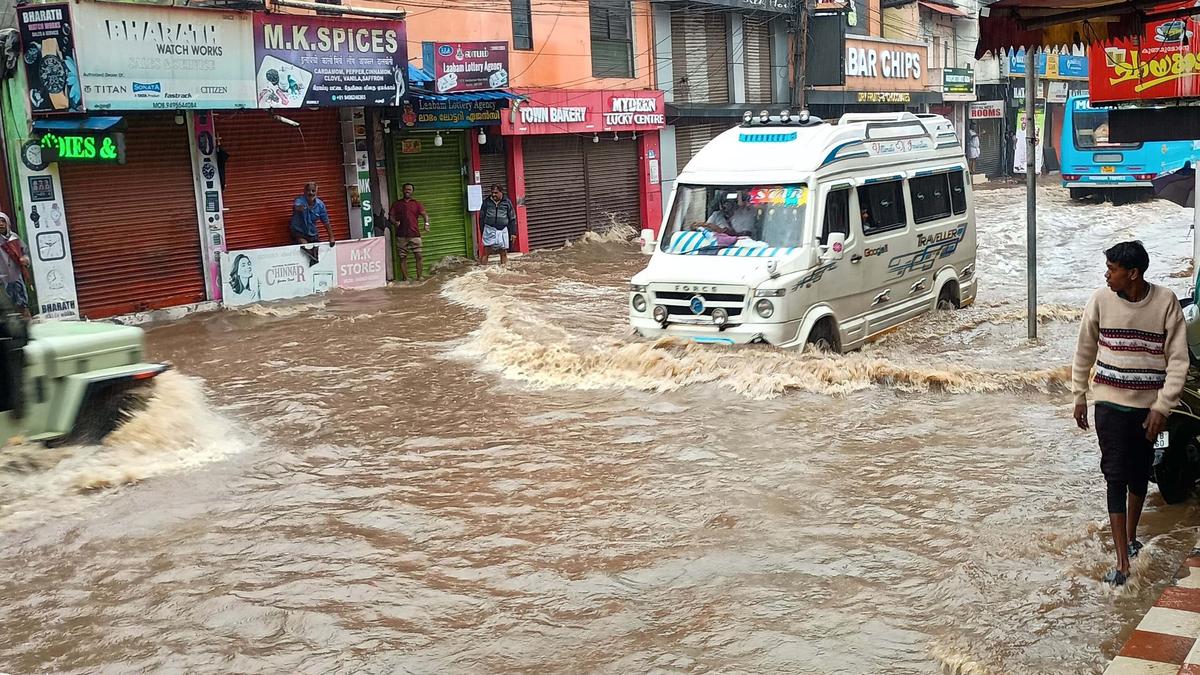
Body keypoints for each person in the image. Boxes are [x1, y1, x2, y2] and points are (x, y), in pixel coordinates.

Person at [1072, 241, 1189, 587]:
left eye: (1112, 269)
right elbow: (1084, 352)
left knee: (1140, 473)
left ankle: (1132, 537)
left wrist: (1162, 407)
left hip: (1148, 409)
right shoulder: (1100, 300)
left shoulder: (1166, 302)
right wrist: (1079, 396)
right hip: (1109, 403)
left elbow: (1178, 361)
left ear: (1133, 274)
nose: (1107, 275)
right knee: (1115, 475)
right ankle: (1122, 561)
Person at [388, 182, 430, 281]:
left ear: (412, 192)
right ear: (402, 190)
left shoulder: (417, 204)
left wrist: (426, 224)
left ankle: (419, 277)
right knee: (402, 257)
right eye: (406, 189)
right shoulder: (397, 204)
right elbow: (391, 216)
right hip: (401, 235)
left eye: (409, 190)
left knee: (419, 256)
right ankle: (406, 279)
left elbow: (425, 215)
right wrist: (394, 222)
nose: (407, 191)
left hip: (415, 234)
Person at [291, 181, 334, 265]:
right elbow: (296, 206)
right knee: (305, 245)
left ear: (316, 192)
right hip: (299, 231)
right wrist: (300, 208)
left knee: (315, 252)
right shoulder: (300, 200)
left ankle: (314, 262)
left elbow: (325, 221)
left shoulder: (320, 205)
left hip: (312, 232)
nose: (310, 193)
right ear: (304, 191)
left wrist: (331, 237)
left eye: (313, 191)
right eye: (308, 191)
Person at [0, 213, 31, 319]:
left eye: (2, 221)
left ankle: (26, 323)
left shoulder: (14, 237)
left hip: (16, 275)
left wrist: (25, 259)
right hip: (2, 277)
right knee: (6, 306)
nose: (1, 224)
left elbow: (25, 251)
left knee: (22, 303)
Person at [479, 184, 517, 266]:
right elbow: (481, 217)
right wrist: (482, 231)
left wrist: (513, 233)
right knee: (486, 252)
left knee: (503, 252)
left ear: (501, 192)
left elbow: (512, 218)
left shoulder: (507, 202)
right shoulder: (486, 202)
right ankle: (481, 270)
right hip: (489, 229)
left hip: (503, 230)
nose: (493, 195)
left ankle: (504, 270)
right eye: (492, 193)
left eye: (496, 193)